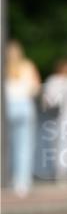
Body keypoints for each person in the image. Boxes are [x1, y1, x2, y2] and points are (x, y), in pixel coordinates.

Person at [4, 40, 41, 196]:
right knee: (24, 147)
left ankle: (9, 178)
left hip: (7, 108)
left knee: (7, 147)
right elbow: (36, 87)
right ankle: (22, 183)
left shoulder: (4, 66)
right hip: (25, 107)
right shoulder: (28, 66)